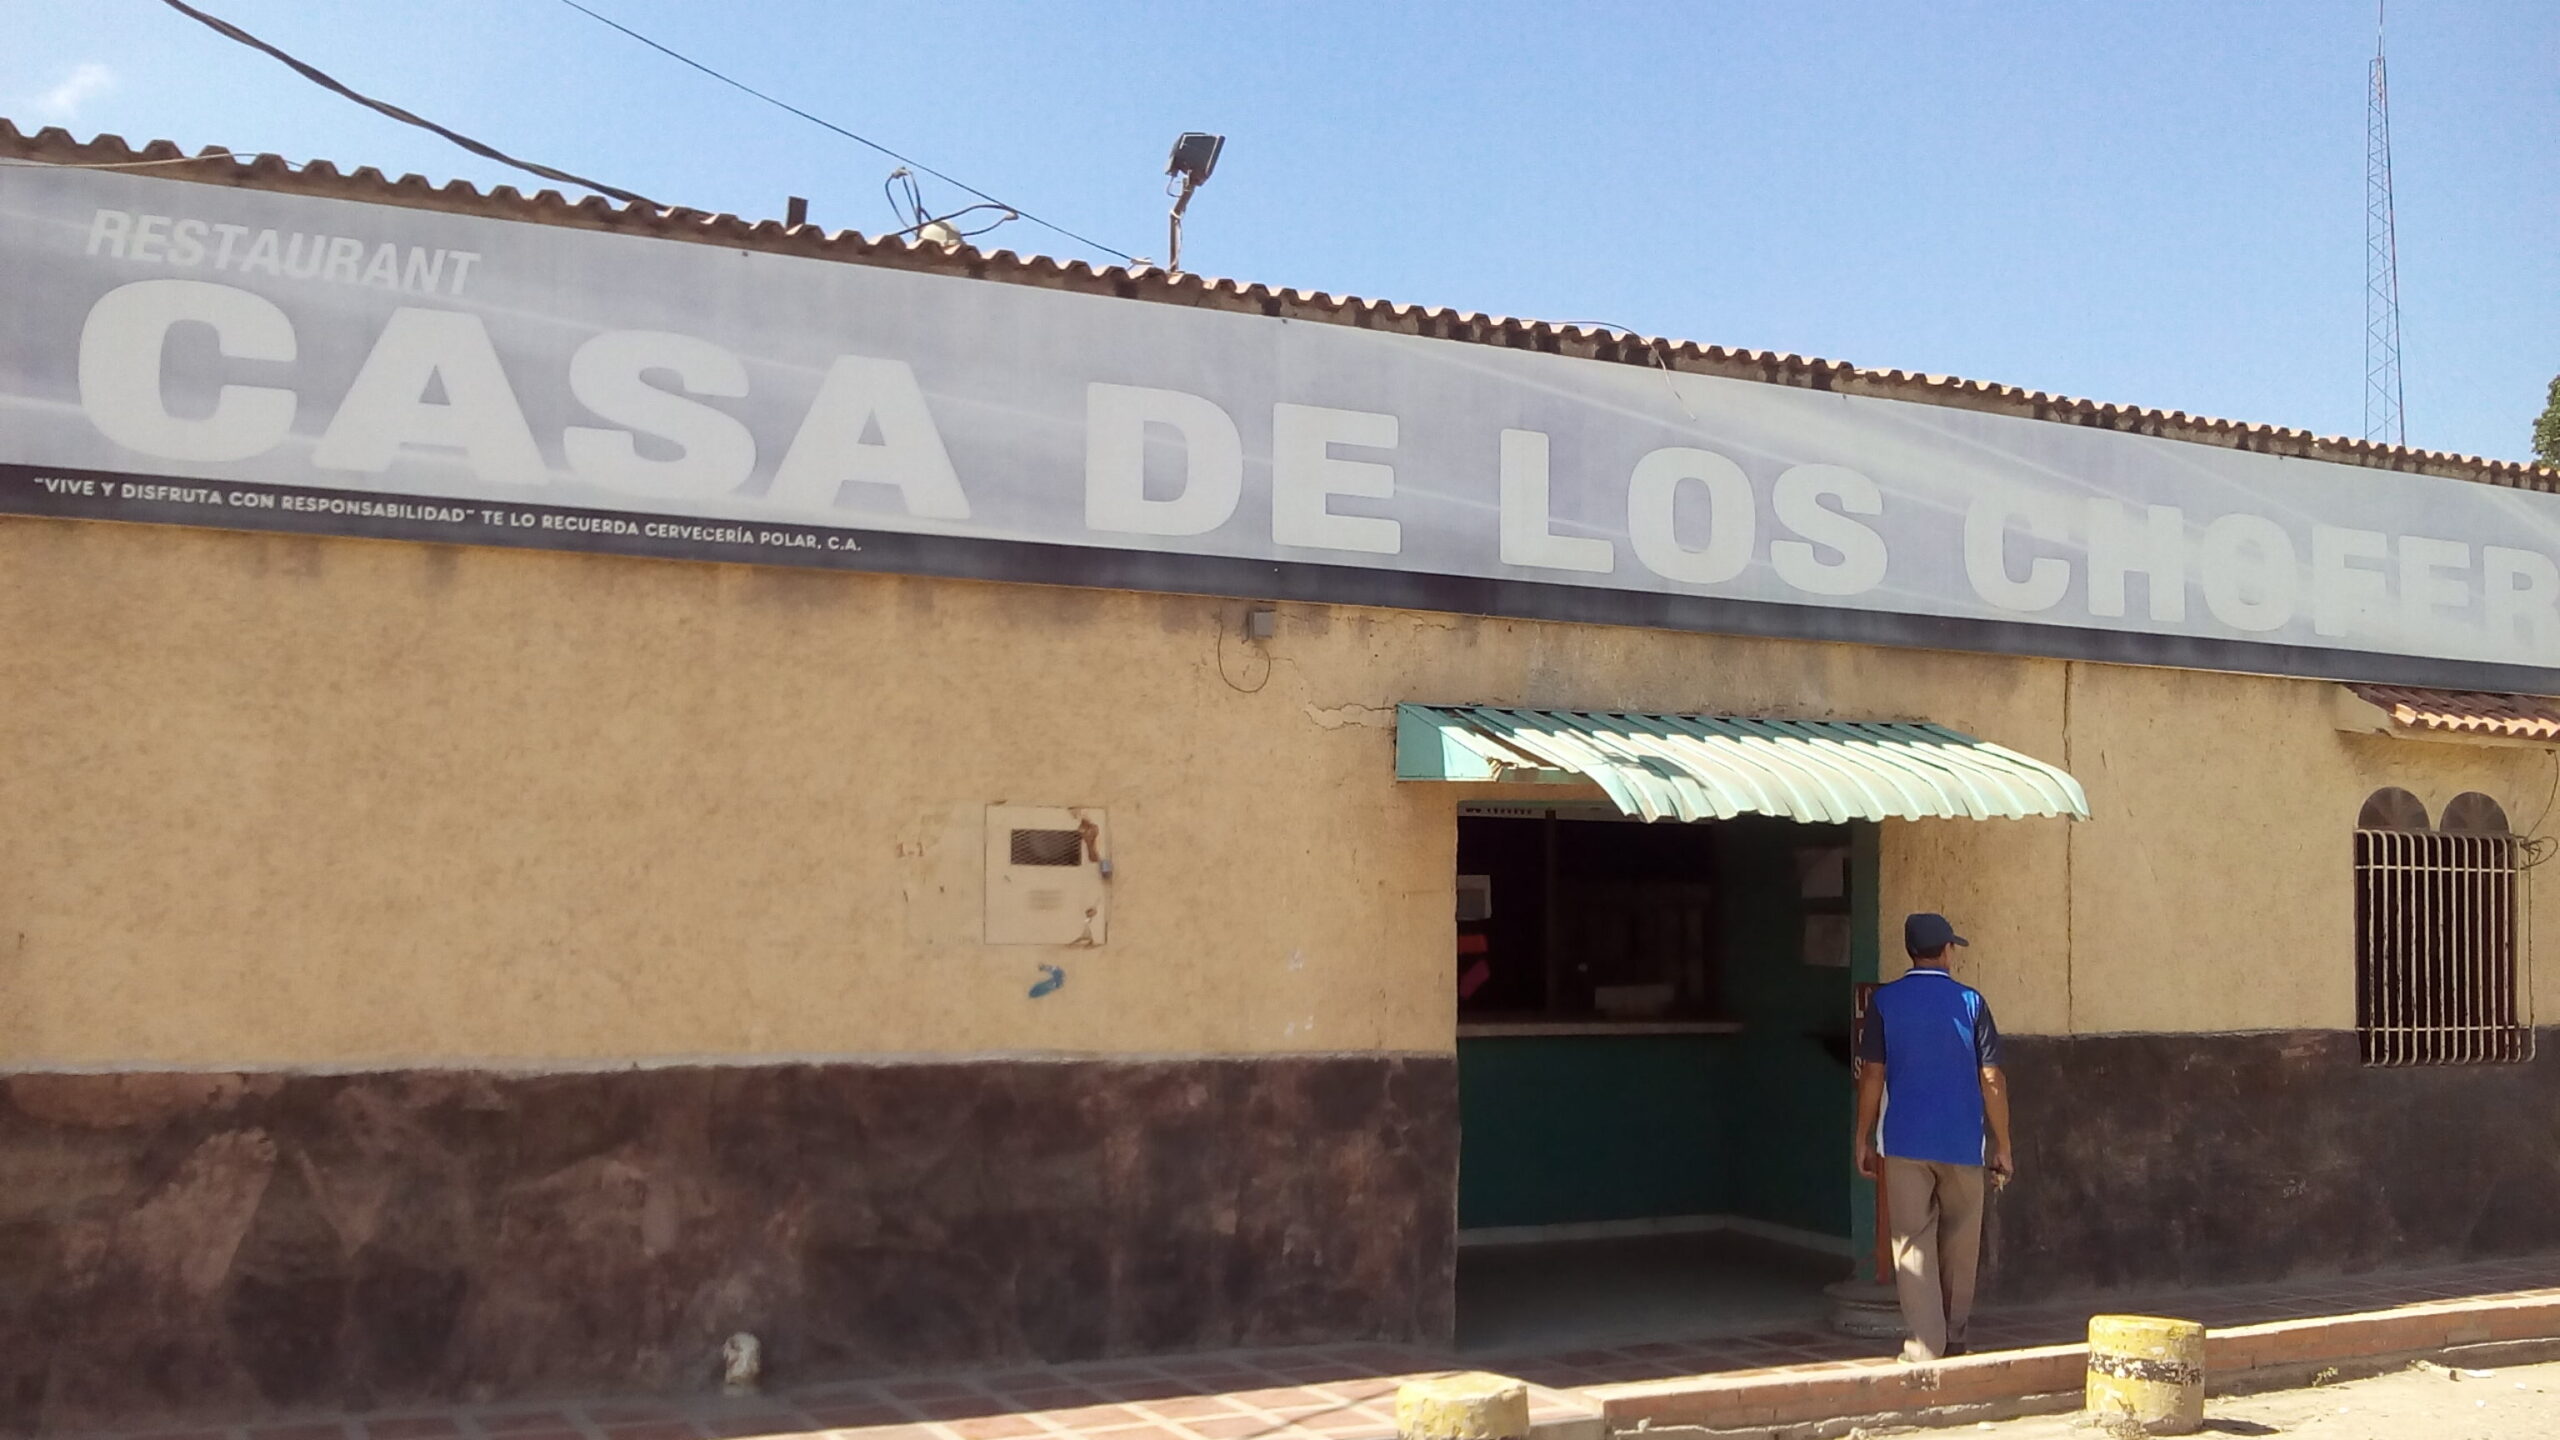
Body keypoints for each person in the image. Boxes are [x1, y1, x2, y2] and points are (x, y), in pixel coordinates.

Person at [1852, 912, 2014, 1363]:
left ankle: (1925, 1344)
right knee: (1961, 1239)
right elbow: (1992, 1078)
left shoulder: (1885, 1002)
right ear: (1946, 951)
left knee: (1911, 1241)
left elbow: (1872, 1075)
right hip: (1963, 1142)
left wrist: (1862, 1136)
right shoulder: (1972, 1002)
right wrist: (2003, 1143)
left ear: (1911, 951)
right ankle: (1955, 1336)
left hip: (1904, 1141)